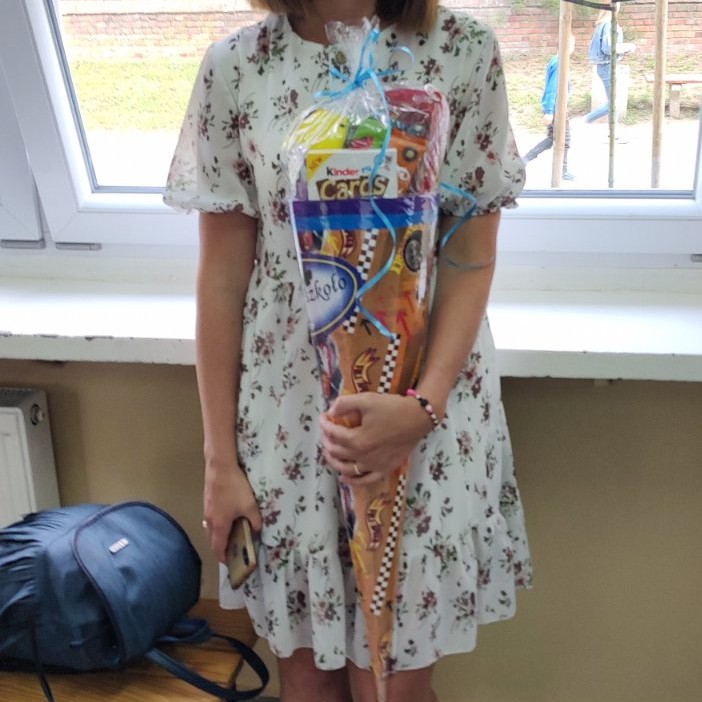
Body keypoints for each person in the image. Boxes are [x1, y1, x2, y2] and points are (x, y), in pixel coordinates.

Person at [164, 2, 532, 702]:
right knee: (306, 681)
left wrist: (422, 407)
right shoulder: (237, 67)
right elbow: (222, 277)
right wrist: (219, 463)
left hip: (421, 417)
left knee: (389, 688)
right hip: (288, 423)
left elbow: (470, 256)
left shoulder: (461, 51)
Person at [523, 35, 576, 181]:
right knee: (564, 139)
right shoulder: (559, 64)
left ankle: (526, 158)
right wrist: (549, 111)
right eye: (572, 45)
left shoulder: (556, 60)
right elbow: (552, 88)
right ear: (567, 46)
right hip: (557, 108)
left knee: (554, 138)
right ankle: (562, 170)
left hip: (557, 107)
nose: (574, 48)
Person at [584, 3, 635, 125]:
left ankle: (614, 132)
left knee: (613, 102)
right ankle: (584, 121)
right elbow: (608, 48)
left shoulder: (603, 23)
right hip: (607, 66)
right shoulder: (608, 24)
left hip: (606, 66)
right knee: (613, 103)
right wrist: (629, 47)